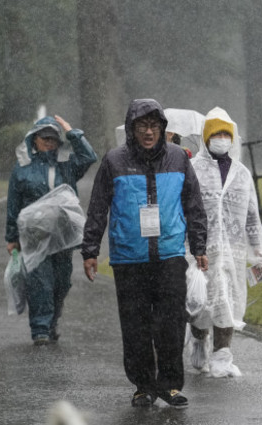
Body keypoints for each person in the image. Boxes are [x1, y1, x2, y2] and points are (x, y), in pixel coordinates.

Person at [81, 99, 208, 408]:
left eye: (154, 126)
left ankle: (170, 385)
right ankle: (143, 386)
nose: (149, 132)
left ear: (163, 128)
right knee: (136, 326)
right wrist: (90, 249)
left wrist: (200, 245)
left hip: (169, 257)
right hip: (129, 259)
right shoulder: (114, 161)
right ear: (131, 129)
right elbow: (98, 207)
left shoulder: (178, 158)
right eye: (142, 126)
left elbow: (193, 204)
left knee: (171, 324)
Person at [188, 106, 262, 377]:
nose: (222, 138)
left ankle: (222, 356)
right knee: (200, 303)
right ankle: (199, 339)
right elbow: (182, 210)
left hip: (232, 252)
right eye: (216, 133)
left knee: (227, 301)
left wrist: (260, 251)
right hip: (199, 251)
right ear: (206, 137)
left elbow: (251, 216)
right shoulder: (192, 170)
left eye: (226, 133)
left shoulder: (242, 173)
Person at [5, 115, 97, 346]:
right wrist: (11, 237)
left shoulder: (67, 165)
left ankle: (52, 321)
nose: (48, 142)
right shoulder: (23, 169)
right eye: (44, 138)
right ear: (34, 140)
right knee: (40, 282)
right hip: (35, 236)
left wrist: (71, 131)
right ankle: (40, 330)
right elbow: (13, 203)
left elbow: (89, 156)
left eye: (53, 138)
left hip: (62, 235)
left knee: (62, 282)